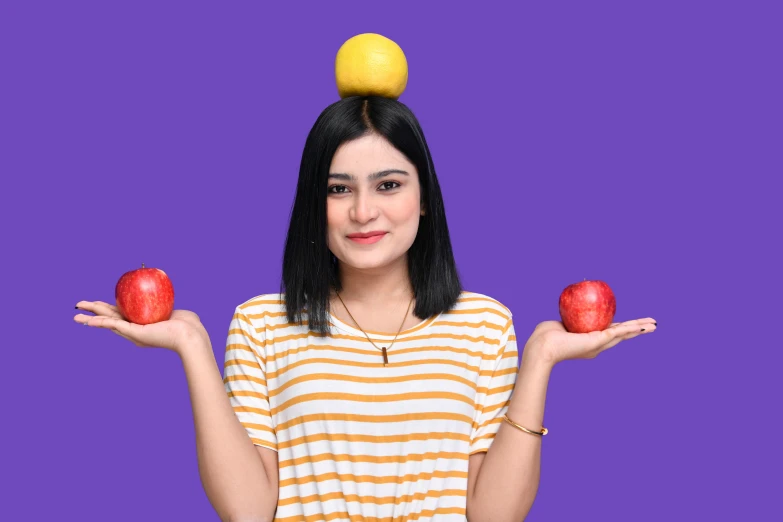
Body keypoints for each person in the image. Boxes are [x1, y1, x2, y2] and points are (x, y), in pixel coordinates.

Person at [74, 95, 656, 521]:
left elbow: (494, 516)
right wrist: (192, 348)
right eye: (337, 188)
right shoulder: (260, 324)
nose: (362, 212)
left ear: (424, 199)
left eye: (388, 185)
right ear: (314, 203)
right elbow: (249, 512)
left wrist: (541, 358)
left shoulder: (484, 324)